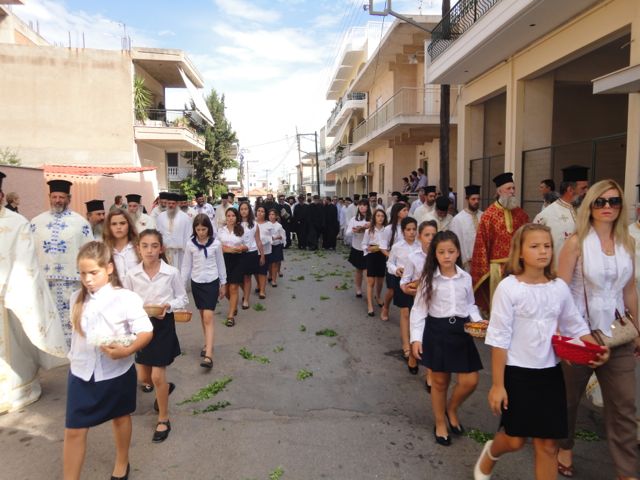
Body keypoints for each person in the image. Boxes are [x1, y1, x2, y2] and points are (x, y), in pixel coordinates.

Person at [474, 223, 606, 480]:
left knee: (547, 445)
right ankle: (492, 452)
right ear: (520, 252)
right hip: (517, 373)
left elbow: (575, 324)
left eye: (547, 246)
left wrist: (595, 348)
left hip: (550, 374)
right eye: (535, 246)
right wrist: (498, 385)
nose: (543, 251)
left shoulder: (558, 288)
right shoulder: (509, 288)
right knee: (515, 440)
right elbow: (499, 338)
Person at [556, 179, 639, 480]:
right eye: (600, 201)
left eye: (614, 201)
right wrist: (570, 335)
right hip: (580, 335)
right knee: (569, 399)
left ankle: (627, 471)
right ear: (590, 205)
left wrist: (638, 328)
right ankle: (564, 446)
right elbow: (561, 293)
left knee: (625, 405)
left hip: (618, 334)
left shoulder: (627, 243)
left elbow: (629, 291)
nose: (607, 207)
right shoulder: (576, 243)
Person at [63, 241, 153, 480]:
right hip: (81, 373)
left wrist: (127, 350)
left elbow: (145, 331)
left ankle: (122, 461)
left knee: (120, 417)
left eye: (93, 272)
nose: (87, 279)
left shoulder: (125, 298)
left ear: (109, 268)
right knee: (74, 430)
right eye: (83, 273)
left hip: (115, 373)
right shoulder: (76, 298)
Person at [0, 172, 67, 414]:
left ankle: (17, 391)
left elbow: (27, 262)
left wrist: (10, 291)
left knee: (15, 348)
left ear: (1, 196)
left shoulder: (18, 223)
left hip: (9, 298)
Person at [410, 230, 483, 447]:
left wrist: (478, 321)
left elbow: (470, 304)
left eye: (451, 251)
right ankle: (440, 422)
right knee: (440, 382)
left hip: (461, 332)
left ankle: (451, 408)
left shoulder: (465, 277)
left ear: (458, 252)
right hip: (437, 331)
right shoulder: (428, 279)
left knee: (470, 381)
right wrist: (416, 339)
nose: (447, 256)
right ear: (435, 254)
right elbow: (419, 310)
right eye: (441, 252)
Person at [123, 229, 188, 444]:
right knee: (144, 378)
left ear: (161, 249)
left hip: (163, 326)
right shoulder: (132, 274)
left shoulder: (171, 272)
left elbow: (182, 298)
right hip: (141, 327)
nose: (149, 250)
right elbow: (126, 301)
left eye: (154, 246)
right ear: (138, 249)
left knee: (158, 376)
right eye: (145, 246)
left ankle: (163, 419)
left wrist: (169, 306)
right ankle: (165, 389)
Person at [31, 179, 94, 345]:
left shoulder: (80, 223)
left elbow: (89, 252)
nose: (57, 200)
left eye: (61, 197)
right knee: (48, 320)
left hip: (72, 282)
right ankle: (51, 353)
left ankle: (74, 351)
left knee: (73, 320)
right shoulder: (36, 223)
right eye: (54, 197)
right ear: (49, 197)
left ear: (69, 198)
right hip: (45, 282)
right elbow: (29, 251)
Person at [471, 172, 529, 312]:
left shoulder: (521, 214)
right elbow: (481, 246)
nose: (512, 191)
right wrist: (484, 272)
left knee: (519, 305)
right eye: (508, 188)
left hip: (519, 267)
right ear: (499, 191)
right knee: (500, 306)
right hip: (497, 270)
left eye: (513, 188)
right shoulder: (488, 216)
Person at [181, 214, 226, 370]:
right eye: (198, 229)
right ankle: (207, 343)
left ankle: (209, 356)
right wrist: (181, 286)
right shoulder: (190, 244)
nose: (201, 232)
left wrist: (223, 283)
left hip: (212, 282)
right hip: (197, 283)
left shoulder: (216, 244)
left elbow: (220, 264)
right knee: (202, 316)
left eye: (204, 229)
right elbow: (186, 266)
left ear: (209, 229)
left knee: (208, 316)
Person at [402, 220, 438, 389]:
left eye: (433, 235)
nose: (430, 238)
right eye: (427, 235)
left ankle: (430, 374)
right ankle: (412, 356)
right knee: (417, 330)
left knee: (432, 337)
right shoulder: (413, 257)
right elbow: (405, 280)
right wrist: (407, 288)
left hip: (437, 303)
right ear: (419, 237)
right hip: (417, 300)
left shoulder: (441, 256)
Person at [533, 165, 590, 267]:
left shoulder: (587, 211)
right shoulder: (546, 216)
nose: (587, 191)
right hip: (557, 271)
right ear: (570, 190)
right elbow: (534, 247)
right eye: (583, 188)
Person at [385, 217, 420, 371]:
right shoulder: (397, 246)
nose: (411, 232)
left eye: (414, 229)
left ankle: (417, 342)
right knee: (405, 312)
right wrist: (396, 269)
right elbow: (389, 263)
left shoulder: (421, 246)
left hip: (418, 284)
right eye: (408, 229)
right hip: (402, 282)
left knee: (416, 314)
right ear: (403, 231)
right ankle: (406, 346)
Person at [217, 207, 247, 327]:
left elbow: (247, 246)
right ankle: (233, 305)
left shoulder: (241, 230)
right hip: (224, 260)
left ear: (236, 217)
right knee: (226, 289)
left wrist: (240, 248)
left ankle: (230, 316)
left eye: (233, 216)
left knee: (234, 287)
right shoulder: (221, 230)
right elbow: (217, 246)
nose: (230, 218)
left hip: (238, 260)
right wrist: (227, 249)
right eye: (228, 216)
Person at [380, 202, 409, 321]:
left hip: (407, 264)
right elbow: (383, 248)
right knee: (392, 290)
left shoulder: (408, 227)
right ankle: (385, 307)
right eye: (404, 210)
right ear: (397, 213)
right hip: (393, 265)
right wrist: (392, 257)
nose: (407, 212)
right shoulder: (388, 229)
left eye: (407, 210)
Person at [449, 185, 483, 272]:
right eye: (473, 199)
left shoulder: (484, 216)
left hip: (482, 260)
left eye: (478, 199)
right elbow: (456, 242)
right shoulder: (458, 219)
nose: (476, 201)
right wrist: (465, 259)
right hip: (466, 263)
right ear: (467, 199)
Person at [239, 201, 266, 309]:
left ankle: (246, 299)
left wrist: (262, 255)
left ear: (249, 210)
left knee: (247, 277)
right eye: (241, 209)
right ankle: (245, 292)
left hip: (251, 253)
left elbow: (258, 240)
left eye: (246, 209)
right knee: (238, 278)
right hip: (238, 253)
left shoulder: (254, 224)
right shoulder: (236, 223)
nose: (243, 211)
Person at [155, 192, 191, 273]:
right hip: (165, 252)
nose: (171, 205)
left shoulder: (185, 217)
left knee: (179, 273)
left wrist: (187, 251)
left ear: (177, 204)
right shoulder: (160, 217)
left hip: (180, 253)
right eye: (169, 203)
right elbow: (157, 233)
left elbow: (188, 234)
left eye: (173, 203)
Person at [362, 209, 388, 317]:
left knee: (380, 280)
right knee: (371, 281)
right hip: (372, 255)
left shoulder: (387, 230)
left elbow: (388, 244)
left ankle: (378, 296)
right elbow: (364, 244)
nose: (380, 218)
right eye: (378, 216)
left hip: (382, 255)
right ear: (374, 217)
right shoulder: (369, 231)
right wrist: (368, 249)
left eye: (382, 216)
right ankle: (370, 305)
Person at [103, 210, 140, 285]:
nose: (118, 227)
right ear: (109, 227)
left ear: (129, 225)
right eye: (114, 224)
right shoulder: (104, 251)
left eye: (122, 223)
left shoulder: (139, 247)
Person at [347, 200, 372, 298]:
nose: (362, 207)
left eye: (364, 205)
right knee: (359, 270)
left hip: (368, 248)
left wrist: (368, 227)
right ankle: (358, 289)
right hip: (357, 247)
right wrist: (354, 230)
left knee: (367, 271)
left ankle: (368, 291)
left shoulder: (372, 219)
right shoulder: (354, 219)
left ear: (368, 207)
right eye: (360, 205)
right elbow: (347, 233)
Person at [254, 205, 271, 299]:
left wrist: (261, 240)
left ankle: (262, 290)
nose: (260, 213)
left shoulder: (269, 224)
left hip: (265, 251)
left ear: (265, 213)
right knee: (255, 271)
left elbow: (271, 237)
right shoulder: (252, 223)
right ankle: (258, 284)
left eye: (262, 211)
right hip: (253, 250)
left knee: (262, 271)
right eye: (258, 211)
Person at [266, 209, 286, 287]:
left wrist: (277, 237)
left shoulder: (279, 226)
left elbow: (282, 236)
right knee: (269, 263)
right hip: (268, 246)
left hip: (277, 245)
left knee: (275, 263)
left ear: (276, 216)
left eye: (273, 214)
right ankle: (270, 275)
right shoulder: (266, 224)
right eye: (270, 214)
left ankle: (274, 280)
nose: (271, 216)